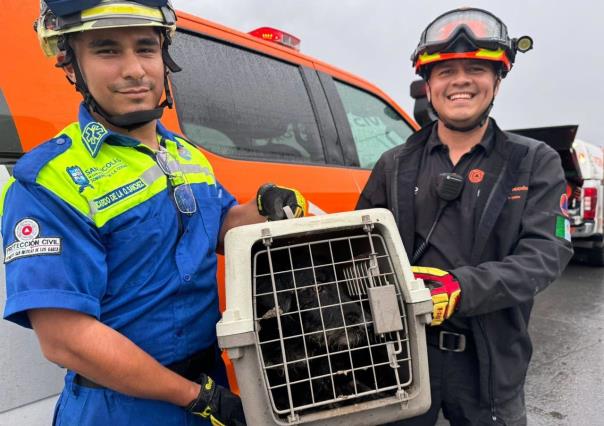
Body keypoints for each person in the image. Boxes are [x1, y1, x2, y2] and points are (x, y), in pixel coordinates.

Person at [0, 1, 306, 425]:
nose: (135, 70)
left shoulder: (185, 154)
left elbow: (218, 228)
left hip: (205, 387)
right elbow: (64, 339)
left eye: (145, 48)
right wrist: (196, 397)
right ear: (70, 64)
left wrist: (265, 204)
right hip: (120, 408)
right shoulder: (49, 182)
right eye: (107, 51)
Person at [357, 7, 573, 425]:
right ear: (428, 85)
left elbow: (545, 254)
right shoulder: (394, 164)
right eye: (445, 71)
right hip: (403, 360)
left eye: (475, 68)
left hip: (490, 367)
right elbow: (360, 246)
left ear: (497, 80)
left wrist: (461, 288)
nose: (460, 80)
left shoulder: (533, 161)